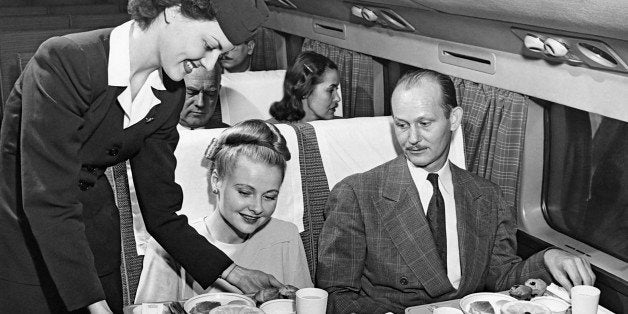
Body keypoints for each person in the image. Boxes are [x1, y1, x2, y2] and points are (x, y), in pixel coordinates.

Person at [0, 0, 286, 313]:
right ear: (172, 12)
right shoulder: (66, 60)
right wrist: (97, 308)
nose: (208, 64)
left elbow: (161, 212)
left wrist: (235, 274)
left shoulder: (169, 94)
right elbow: (48, 198)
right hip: (26, 241)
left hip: (95, 234)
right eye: (208, 45)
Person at [316, 69, 596, 313]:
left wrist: (549, 259)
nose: (412, 139)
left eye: (424, 124)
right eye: (402, 125)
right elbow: (336, 295)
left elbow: (501, 277)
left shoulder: (487, 196)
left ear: (453, 119)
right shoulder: (357, 194)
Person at [135, 119, 313, 302]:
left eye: (269, 196)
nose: (258, 208)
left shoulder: (287, 236)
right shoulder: (166, 246)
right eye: (245, 192)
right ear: (216, 181)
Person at [268, 51, 341, 123]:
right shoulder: (271, 131)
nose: (338, 98)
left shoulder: (342, 127)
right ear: (305, 90)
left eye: (336, 89)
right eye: (331, 90)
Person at [180, 64, 228, 129]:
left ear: (218, 91)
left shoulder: (232, 135)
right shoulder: (161, 135)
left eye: (210, 93)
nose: (200, 103)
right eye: (191, 92)